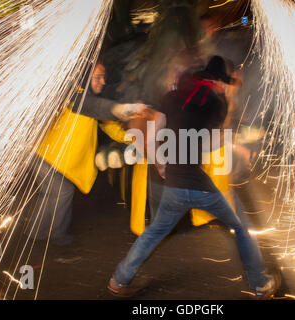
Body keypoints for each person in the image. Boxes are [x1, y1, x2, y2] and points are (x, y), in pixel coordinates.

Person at [107, 56, 280, 299]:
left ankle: (118, 280)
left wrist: (161, 163)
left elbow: (151, 135)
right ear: (220, 81)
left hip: (174, 185)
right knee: (241, 228)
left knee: (154, 232)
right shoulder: (216, 102)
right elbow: (212, 143)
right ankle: (261, 284)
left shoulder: (172, 96)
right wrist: (229, 106)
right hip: (200, 187)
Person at [29, 59, 150, 246]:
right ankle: (55, 235)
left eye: (104, 78)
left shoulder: (87, 100)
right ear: (85, 78)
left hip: (50, 157)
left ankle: (37, 234)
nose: (102, 82)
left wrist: (133, 137)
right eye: (98, 77)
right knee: (61, 192)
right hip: (47, 157)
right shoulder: (72, 96)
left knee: (51, 194)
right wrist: (122, 109)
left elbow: (109, 126)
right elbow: (93, 106)